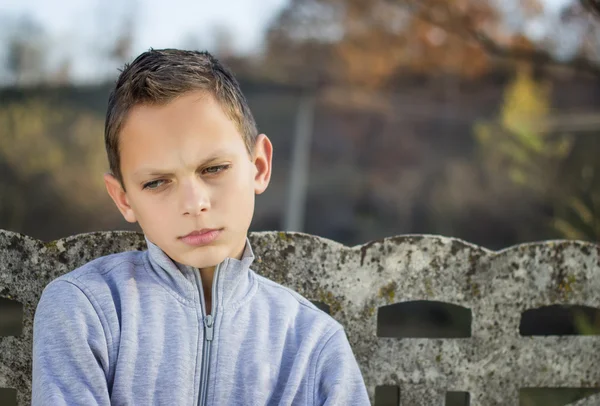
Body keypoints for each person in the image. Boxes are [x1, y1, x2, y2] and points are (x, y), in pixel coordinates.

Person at [31, 49, 370, 405]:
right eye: (157, 182)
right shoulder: (85, 310)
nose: (194, 204)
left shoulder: (313, 343)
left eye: (213, 168)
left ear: (259, 166)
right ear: (124, 198)